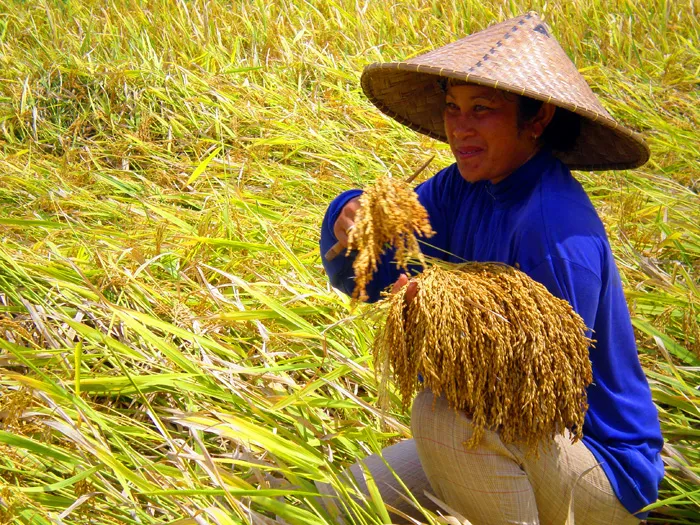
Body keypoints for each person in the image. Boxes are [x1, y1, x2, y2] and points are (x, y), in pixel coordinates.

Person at [318, 12, 664, 525]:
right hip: (497, 433)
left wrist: (436, 319)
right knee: (342, 505)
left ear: (538, 117)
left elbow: (542, 397)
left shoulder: (555, 233)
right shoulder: (464, 186)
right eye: (453, 108)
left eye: (482, 110)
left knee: (438, 415)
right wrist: (353, 217)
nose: (460, 128)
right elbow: (380, 271)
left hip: (595, 464)